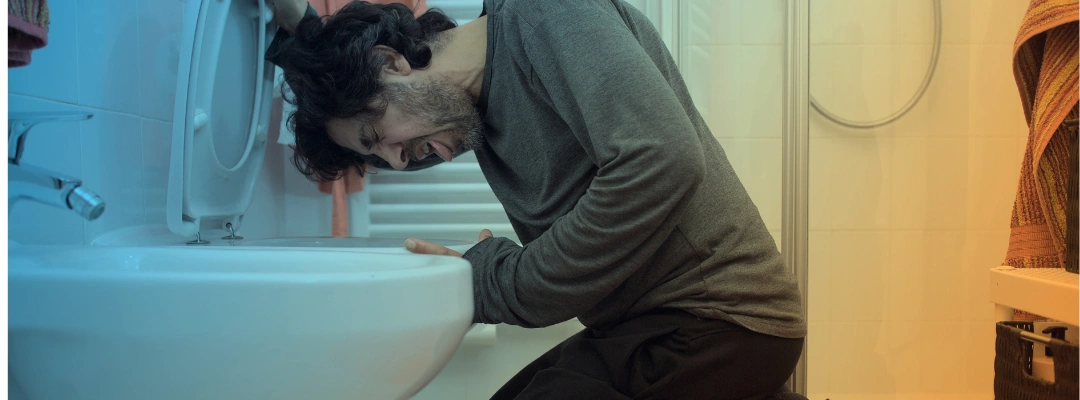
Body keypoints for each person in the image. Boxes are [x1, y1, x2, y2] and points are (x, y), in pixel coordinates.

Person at [268, 1, 806, 398]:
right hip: (644, 327)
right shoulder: (463, 110)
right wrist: (302, 32)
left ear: (390, 62)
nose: (399, 162)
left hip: (719, 320)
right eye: (378, 158)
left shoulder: (547, 13)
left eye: (375, 136)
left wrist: (496, 283)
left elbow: (662, 158)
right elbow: (380, 116)